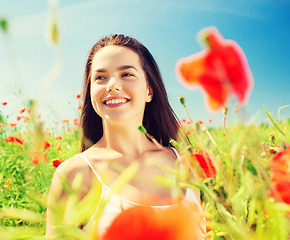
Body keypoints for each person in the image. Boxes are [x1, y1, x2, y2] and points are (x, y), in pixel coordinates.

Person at [45, 34, 205, 238]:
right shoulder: (76, 173)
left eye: (127, 74)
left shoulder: (185, 166)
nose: (112, 85)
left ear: (149, 90)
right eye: (100, 77)